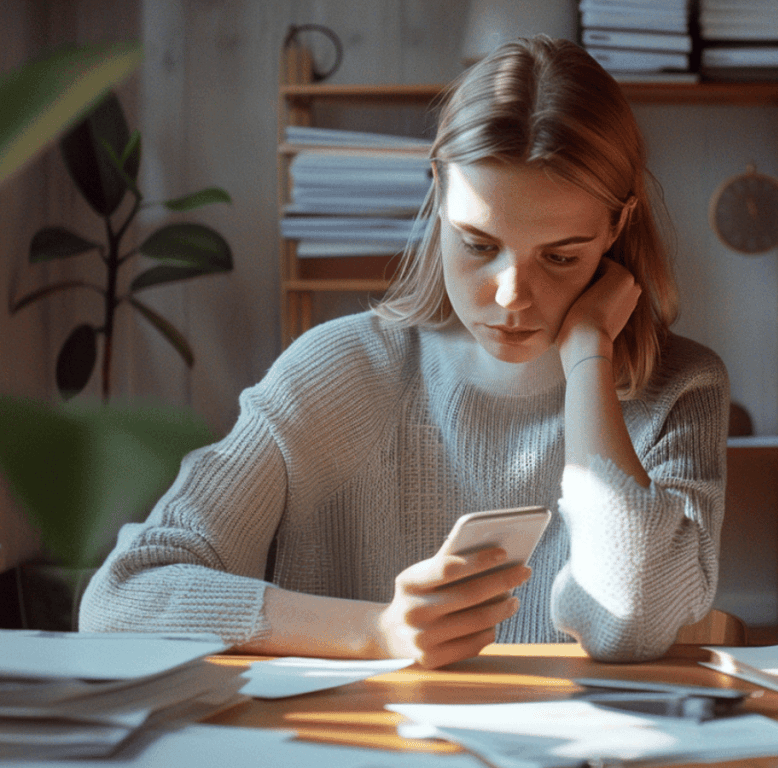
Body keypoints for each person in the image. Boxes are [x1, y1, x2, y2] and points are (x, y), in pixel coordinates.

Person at [80, 35, 728, 667]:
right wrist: (374, 631)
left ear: (617, 226)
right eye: (477, 244)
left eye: (561, 257)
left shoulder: (681, 388)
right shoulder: (337, 370)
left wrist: (589, 357)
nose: (511, 297)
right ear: (438, 192)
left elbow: (628, 623)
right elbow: (121, 600)